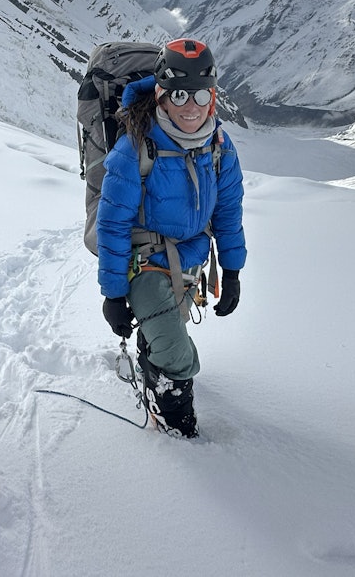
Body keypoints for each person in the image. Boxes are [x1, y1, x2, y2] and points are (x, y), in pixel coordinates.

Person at [97, 38, 246, 439]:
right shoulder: (135, 147)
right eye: (179, 93)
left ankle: (152, 360)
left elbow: (228, 211)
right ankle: (177, 429)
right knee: (178, 356)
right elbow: (111, 225)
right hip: (143, 264)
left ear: (213, 96)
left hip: (191, 261)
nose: (191, 105)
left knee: (165, 333)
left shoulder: (218, 146)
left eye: (201, 93)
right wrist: (113, 294)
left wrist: (231, 269)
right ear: (161, 94)